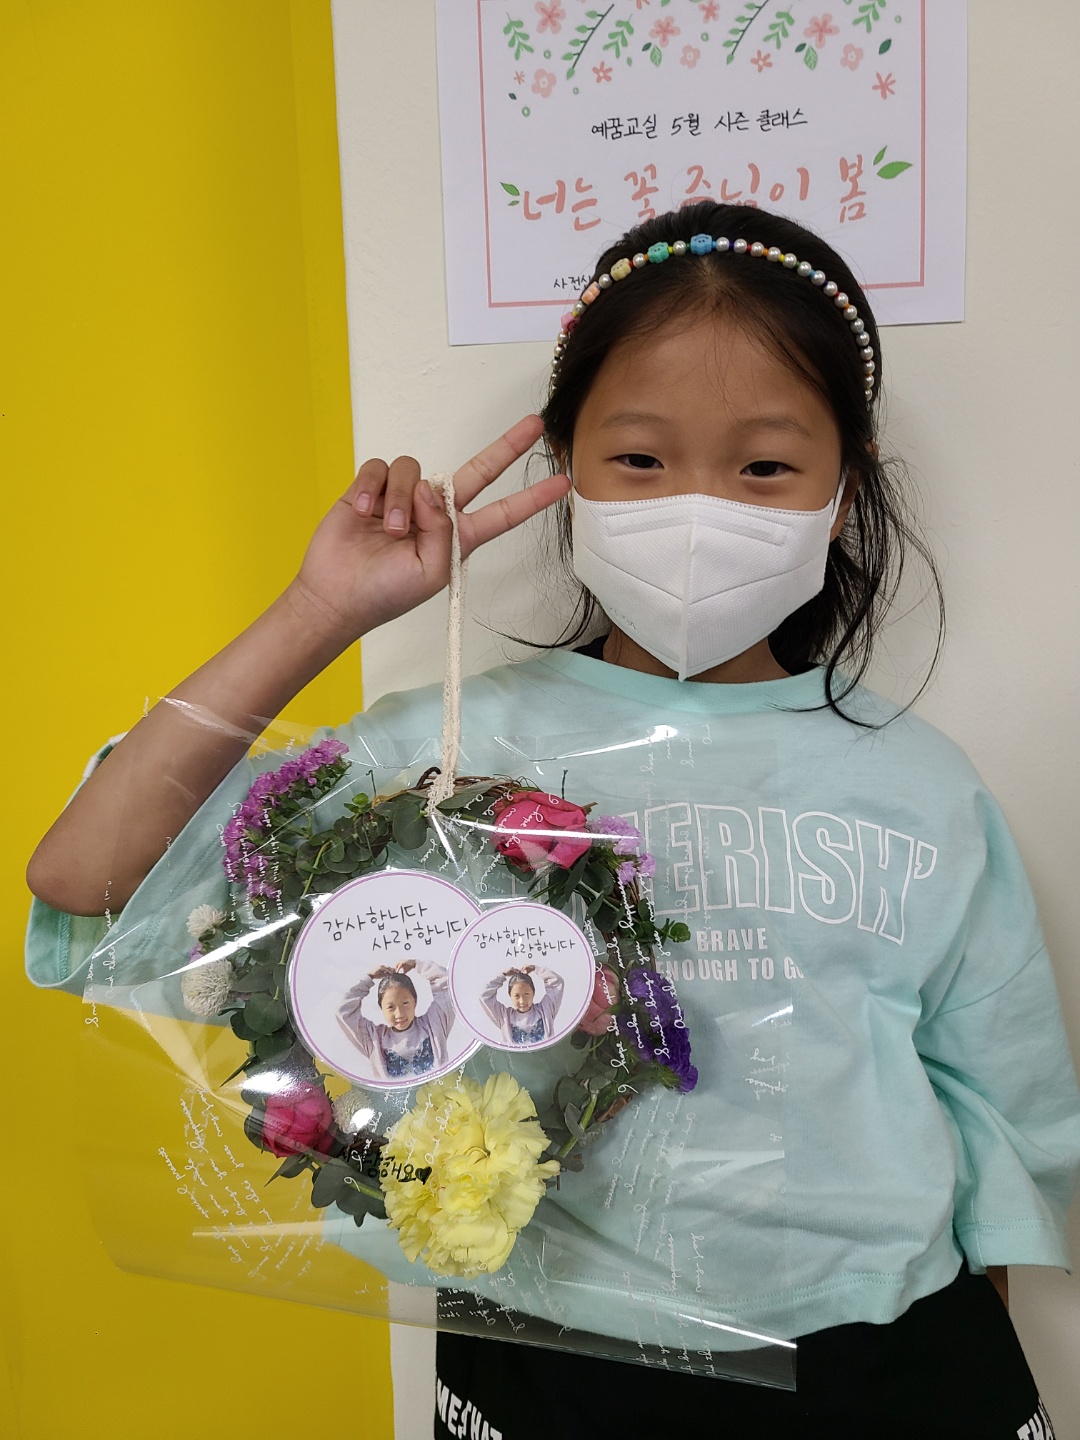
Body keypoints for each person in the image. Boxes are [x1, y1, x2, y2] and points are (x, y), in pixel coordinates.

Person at [24, 201, 1080, 1438]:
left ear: (844, 491)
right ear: (565, 465)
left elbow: (1001, 1122)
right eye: (639, 459)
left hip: (889, 1361)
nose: (700, 506)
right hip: (548, 1355)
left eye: (765, 467)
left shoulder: (921, 784)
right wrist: (322, 609)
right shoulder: (443, 751)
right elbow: (90, 877)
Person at [338, 958, 455, 1081]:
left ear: (415, 1001)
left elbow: (447, 983)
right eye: (390, 1007)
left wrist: (417, 964)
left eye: (405, 1003)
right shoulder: (374, 1039)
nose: (399, 1013)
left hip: (439, 1092)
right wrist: (368, 978)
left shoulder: (434, 1024)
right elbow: (343, 1010)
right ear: (381, 1007)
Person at [479, 963, 564, 1046]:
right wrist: (502, 975)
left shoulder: (545, 1010)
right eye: (517, 996)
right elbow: (484, 996)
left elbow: (556, 982)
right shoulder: (504, 1016)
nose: (522, 1001)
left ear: (533, 992)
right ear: (510, 995)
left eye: (526, 994)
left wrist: (536, 969)